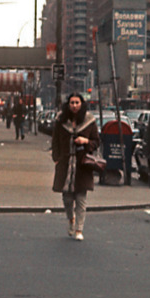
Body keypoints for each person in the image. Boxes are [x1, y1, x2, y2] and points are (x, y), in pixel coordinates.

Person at [51, 92, 100, 241]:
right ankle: (70, 218)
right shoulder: (61, 121)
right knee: (66, 199)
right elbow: (55, 141)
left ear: (82, 104)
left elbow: (96, 142)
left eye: (77, 103)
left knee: (81, 199)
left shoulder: (89, 121)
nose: (74, 105)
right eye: (72, 103)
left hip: (82, 165)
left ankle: (79, 229)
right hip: (65, 164)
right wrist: (56, 159)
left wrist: (85, 141)